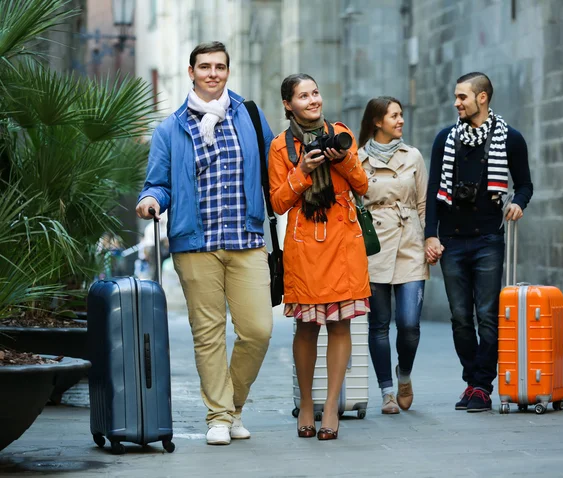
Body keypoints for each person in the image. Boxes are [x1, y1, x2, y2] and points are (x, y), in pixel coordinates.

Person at [136, 41, 274, 445]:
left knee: (258, 330)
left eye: (220, 66)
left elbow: (274, 167)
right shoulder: (171, 127)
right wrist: (150, 200)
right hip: (195, 245)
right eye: (205, 67)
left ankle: (233, 407)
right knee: (208, 334)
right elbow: (157, 184)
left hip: (247, 238)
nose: (213, 73)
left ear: (228, 71)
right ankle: (219, 417)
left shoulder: (248, 115)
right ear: (192, 71)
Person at [268, 73, 370, 440]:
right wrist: (303, 171)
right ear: (288, 104)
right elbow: (278, 202)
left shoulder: (341, 132)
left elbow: (362, 185)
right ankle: (307, 404)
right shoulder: (281, 146)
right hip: (305, 241)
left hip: (343, 239)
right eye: (303, 95)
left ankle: (331, 407)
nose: (313, 100)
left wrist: (342, 160)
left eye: (315, 93)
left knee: (340, 325)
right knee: (308, 326)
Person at [424, 72, 533, 412]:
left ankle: (482, 386)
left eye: (462, 97)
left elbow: (526, 184)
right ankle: (472, 381)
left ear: (482, 98)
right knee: (460, 317)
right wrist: (431, 233)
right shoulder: (446, 139)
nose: (457, 103)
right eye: (456, 97)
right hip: (452, 241)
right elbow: (432, 192)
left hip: (488, 239)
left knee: (487, 315)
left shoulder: (510, 139)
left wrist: (518, 202)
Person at [357, 96, 429, 414]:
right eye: (394, 116)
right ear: (377, 121)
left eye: (401, 115)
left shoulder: (412, 156)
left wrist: (429, 240)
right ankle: (387, 392)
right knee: (380, 324)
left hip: (410, 245)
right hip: (374, 249)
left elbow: (424, 203)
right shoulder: (357, 159)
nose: (401, 120)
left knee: (410, 324)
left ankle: (404, 375)